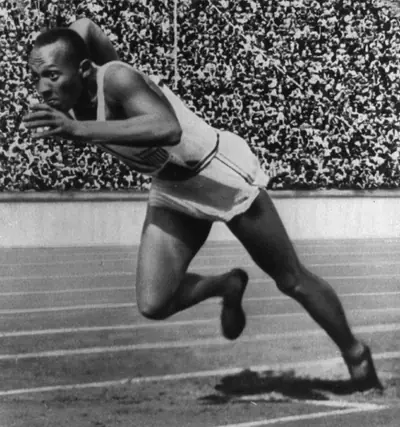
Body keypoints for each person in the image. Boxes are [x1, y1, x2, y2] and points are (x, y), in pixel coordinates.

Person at [23, 19, 383, 392]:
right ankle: (226, 285)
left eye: (52, 75)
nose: (43, 88)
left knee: (291, 279)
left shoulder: (115, 80)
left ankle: (356, 354)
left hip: (216, 174)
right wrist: (65, 57)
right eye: (36, 78)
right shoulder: (72, 98)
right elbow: (83, 27)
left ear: (83, 69)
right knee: (154, 302)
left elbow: (168, 128)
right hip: (172, 188)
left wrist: (81, 127)